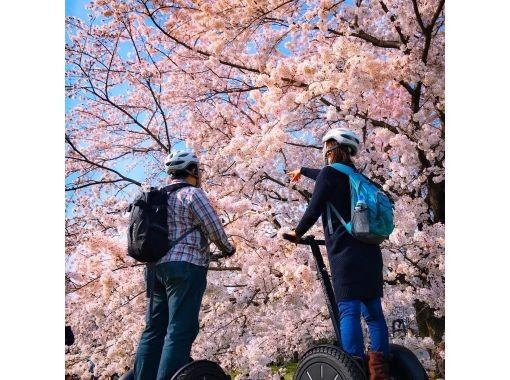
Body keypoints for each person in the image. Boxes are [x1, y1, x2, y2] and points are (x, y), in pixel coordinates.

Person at [286, 128, 390, 380]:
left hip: (345, 253)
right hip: (370, 251)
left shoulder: (329, 175)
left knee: (349, 309)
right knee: (374, 312)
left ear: (330, 149)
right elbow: (323, 176)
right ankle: (379, 371)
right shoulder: (360, 178)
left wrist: (297, 233)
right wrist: (303, 170)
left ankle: (352, 368)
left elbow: (314, 208)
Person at [133, 150, 236, 380]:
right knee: (180, 329)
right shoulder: (191, 194)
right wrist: (228, 249)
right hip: (185, 267)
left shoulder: (157, 196)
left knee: (153, 329)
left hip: (154, 270)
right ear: (191, 170)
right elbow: (214, 228)